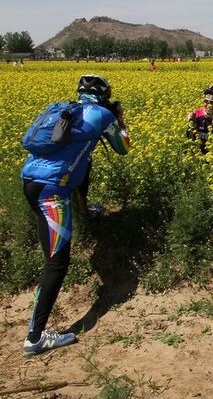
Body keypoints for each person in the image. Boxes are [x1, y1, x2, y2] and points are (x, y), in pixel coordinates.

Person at [20, 75, 131, 356]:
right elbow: (124, 148)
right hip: (52, 192)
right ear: (105, 96)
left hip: (32, 183)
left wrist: (86, 210)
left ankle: (37, 329)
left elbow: (82, 165)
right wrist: (119, 120)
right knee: (57, 262)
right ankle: (35, 337)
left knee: (53, 256)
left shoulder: (67, 110)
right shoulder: (102, 114)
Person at [186, 85, 213, 153]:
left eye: (212, 103)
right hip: (194, 151)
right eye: (206, 101)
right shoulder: (196, 113)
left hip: (211, 154)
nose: (208, 105)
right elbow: (189, 136)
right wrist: (191, 122)